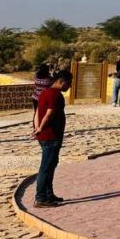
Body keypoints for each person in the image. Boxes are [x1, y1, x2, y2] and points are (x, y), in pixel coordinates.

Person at [32, 70, 71, 207]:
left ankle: (49, 195)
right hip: (51, 136)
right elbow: (48, 114)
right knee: (46, 167)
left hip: (45, 136)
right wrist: (41, 128)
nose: (69, 87)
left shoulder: (45, 92)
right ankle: (41, 197)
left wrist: (37, 127)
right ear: (62, 82)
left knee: (51, 165)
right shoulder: (56, 95)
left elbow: (37, 112)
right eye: (69, 84)